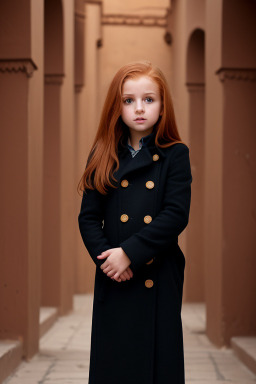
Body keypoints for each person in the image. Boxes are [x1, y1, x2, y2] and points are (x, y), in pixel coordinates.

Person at [77, 61, 192, 384]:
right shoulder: (103, 154)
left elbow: (175, 214)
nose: (139, 108)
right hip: (115, 274)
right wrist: (109, 259)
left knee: (158, 364)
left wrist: (130, 252)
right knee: (115, 361)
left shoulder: (175, 154)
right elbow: (88, 217)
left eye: (149, 99)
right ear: (117, 106)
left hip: (157, 272)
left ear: (162, 105)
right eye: (128, 100)